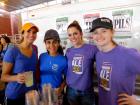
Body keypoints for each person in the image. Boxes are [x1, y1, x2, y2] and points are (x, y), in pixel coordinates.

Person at [90, 17, 140, 105]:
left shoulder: (128, 55)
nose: (99, 36)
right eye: (96, 32)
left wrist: (138, 102)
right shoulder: (98, 55)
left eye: (104, 31)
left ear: (112, 32)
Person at [1, 22, 39, 105]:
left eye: (34, 32)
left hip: (30, 94)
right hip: (15, 95)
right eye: (28, 31)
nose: (32, 34)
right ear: (22, 33)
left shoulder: (35, 49)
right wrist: (16, 78)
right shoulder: (13, 51)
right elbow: (3, 77)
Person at [66, 20, 98, 105]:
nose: (73, 37)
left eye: (75, 33)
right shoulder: (68, 51)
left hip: (86, 91)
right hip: (71, 90)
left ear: (81, 34)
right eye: (70, 35)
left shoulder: (92, 49)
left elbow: (104, 62)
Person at [39, 29, 67, 105]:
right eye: (48, 42)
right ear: (45, 43)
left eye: (54, 42)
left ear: (58, 43)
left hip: (56, 94)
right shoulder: (42, 56)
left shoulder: (63, 60)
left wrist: (61, 89)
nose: (51, 45)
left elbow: (67, 78)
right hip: (42, 93)